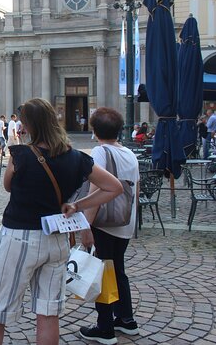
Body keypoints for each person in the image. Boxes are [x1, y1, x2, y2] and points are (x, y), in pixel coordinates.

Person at [0, 98, 123, 345]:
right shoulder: (76, 157)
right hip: (56, 239)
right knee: (48, 312)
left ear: (29, 125)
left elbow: (7, 186)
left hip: (19, 237)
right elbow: (114, 187)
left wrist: (17, 157)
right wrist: (78, 205)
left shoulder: (21, 154)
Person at [78, 107, 140, 344]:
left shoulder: (100, 151)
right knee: (118, 270)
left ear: (94, 130)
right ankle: (126, 319)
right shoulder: (129, 153)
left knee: (102, 272)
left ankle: (104, 327)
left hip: (105, 223)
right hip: (124, 221)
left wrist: (86, 225)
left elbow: (96, 189)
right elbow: (136, 188)